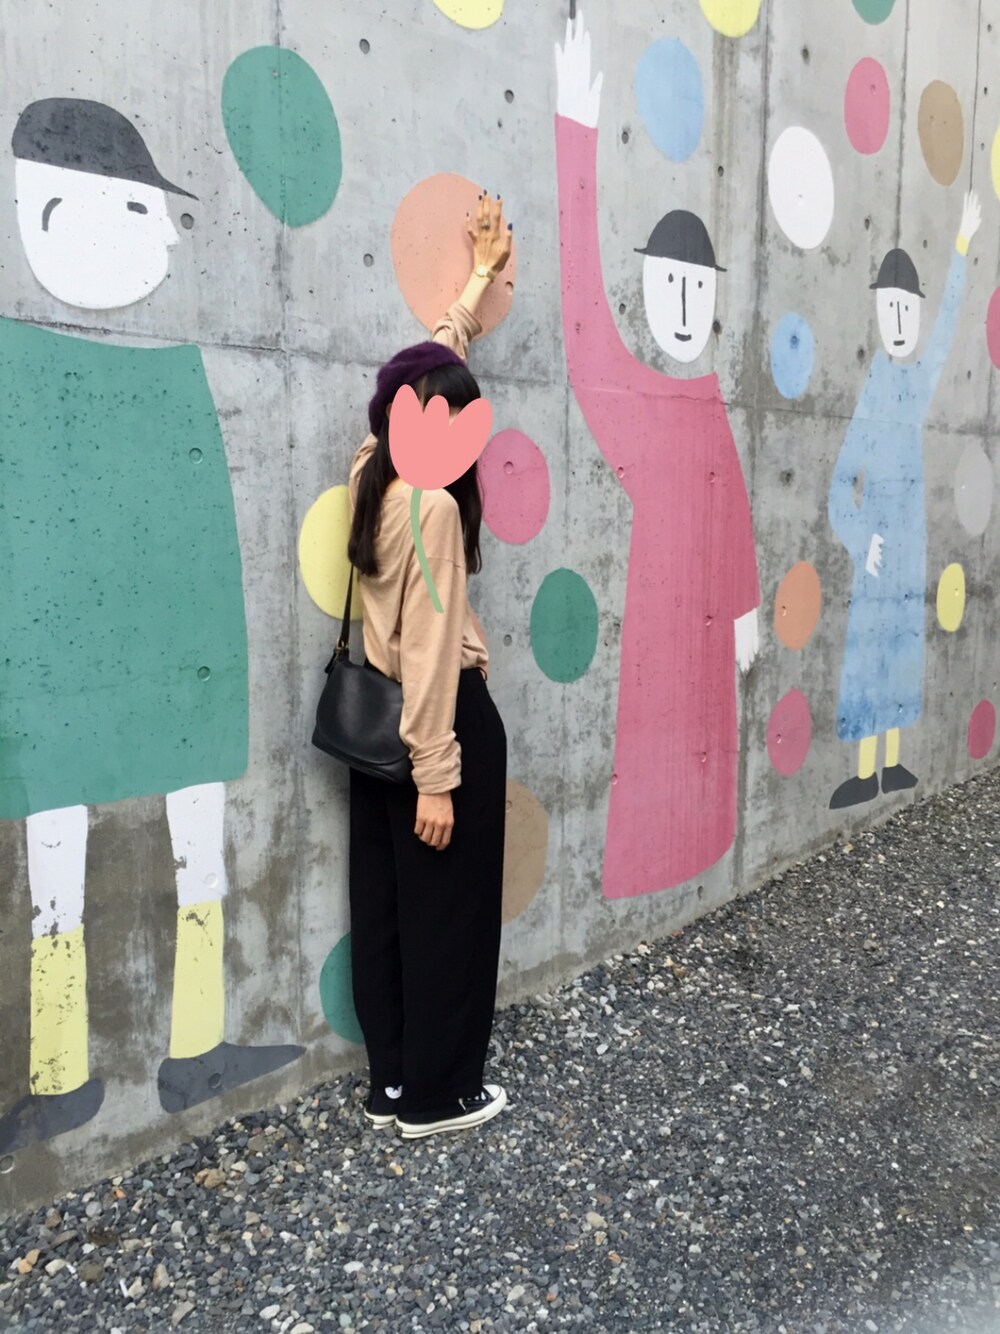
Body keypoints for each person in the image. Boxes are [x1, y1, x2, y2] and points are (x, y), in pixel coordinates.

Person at [0, 98, 303, 1157]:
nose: (166, 239)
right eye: (141, 209)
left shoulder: (174, 374)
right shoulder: (23, 368)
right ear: (48, 212)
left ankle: (186, 1050)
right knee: (62, 849)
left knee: (184, 842)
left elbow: (201, 539)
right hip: (64, 659)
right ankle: (63, 1075)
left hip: (172, 652)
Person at [554, 13, 760, 899]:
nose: (682, 304)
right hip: (661, 608)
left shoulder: (708, 400)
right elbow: (583, 327)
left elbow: (733, 503)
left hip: (708, 614)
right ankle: (650, 865)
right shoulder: (635, 398)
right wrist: (575, 134)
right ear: (646, 285)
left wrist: (745, 606)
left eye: (696, 289)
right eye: (670, 284)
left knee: (705, 737)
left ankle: (701, 844)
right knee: (660, 731)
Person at [345, 191, 512, 1139]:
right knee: (449, 912)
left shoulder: (368, 473)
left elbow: (415, 379)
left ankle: (394, 1085)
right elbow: (434, 652)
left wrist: (476, 285)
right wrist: (439, 775)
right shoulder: (437, 509)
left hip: (371, 729)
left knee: (387, 909)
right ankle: (443, 1097)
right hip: (433, 731)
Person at [828, 191, 981, 809]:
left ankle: (890, 765)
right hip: (879, 546)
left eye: (906, 308)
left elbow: (944, 339)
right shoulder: (873, 389)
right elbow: (841, 482)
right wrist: (861, 538)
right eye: (888, 307)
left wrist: (961, 248)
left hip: (909, 543)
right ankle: (867, 770)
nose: (898, 319)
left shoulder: (915, 385)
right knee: (870, 654)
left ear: (915, 313)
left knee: (899, 654)